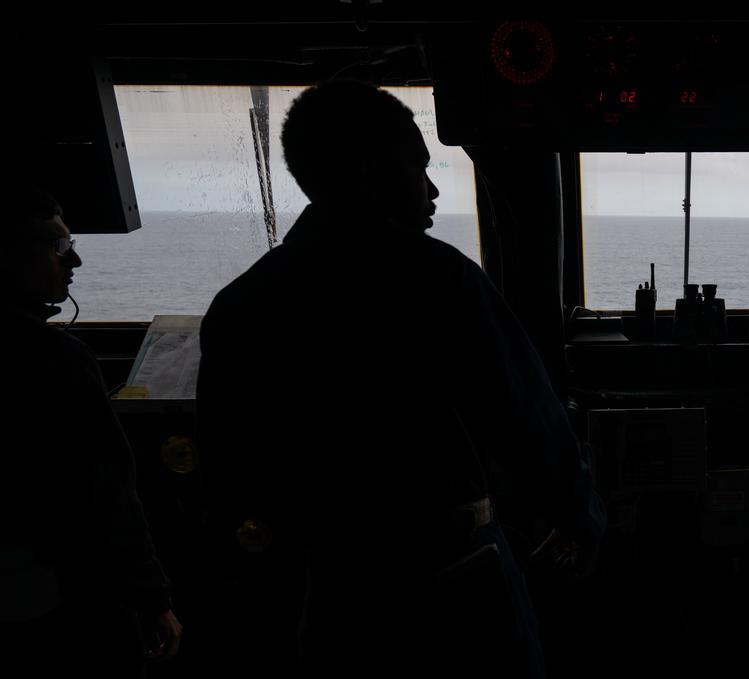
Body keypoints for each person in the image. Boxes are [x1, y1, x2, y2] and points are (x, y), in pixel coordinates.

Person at [196, 80, 605, 677]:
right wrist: (579, 520)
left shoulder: (241, 306)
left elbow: (231, 472)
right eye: (418, 166)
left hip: (332, 592)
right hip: (461, 583)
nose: (433, 188)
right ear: (370, 172)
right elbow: (532, 423)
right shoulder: (444, 282)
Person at [0, 186, 182, 676]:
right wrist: (150, 598)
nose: (74, 259)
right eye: (59, 247)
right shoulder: (52, 359)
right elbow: (104, 491)